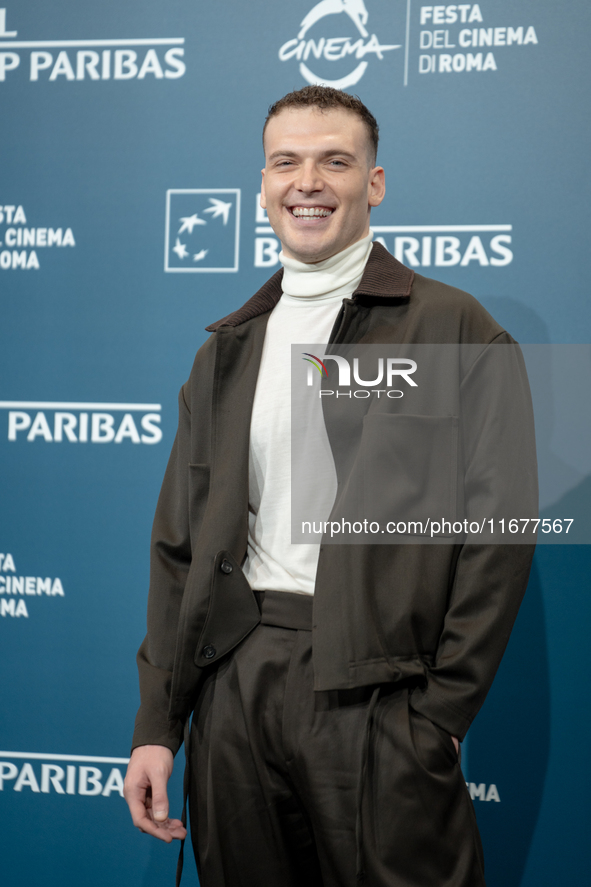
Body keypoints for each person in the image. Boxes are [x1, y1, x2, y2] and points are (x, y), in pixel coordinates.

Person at [124, 86, 536, 886]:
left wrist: (439, 716)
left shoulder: (456, 329)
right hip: (239, 684)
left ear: (373, 183)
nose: (306, 181)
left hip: (382, 698)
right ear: (264, 183)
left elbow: (499, 538)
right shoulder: (226, 350)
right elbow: (179, 547)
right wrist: (157, 724)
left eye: (334, 161)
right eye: (286, 161)